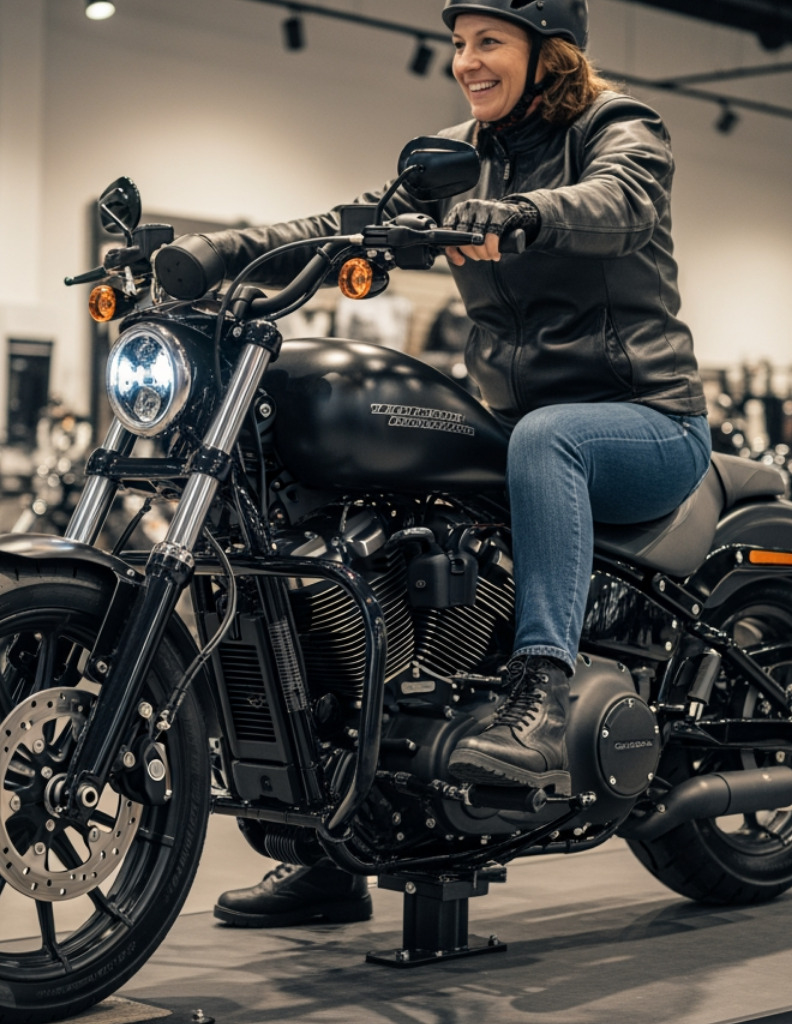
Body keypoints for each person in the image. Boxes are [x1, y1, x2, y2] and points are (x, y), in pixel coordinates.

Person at [208, 0, 710, 928]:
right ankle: (331, 848)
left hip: (643, 420)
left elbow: (618, 204)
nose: (466, 62)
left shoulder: (621, 128)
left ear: (545, 52)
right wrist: (222, 251)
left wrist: (523, 214)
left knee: (545, 434)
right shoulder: (451, 156)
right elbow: (344, 222)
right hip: (515, 422)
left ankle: (541, 695)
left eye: (488, 43)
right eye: (457, 45)